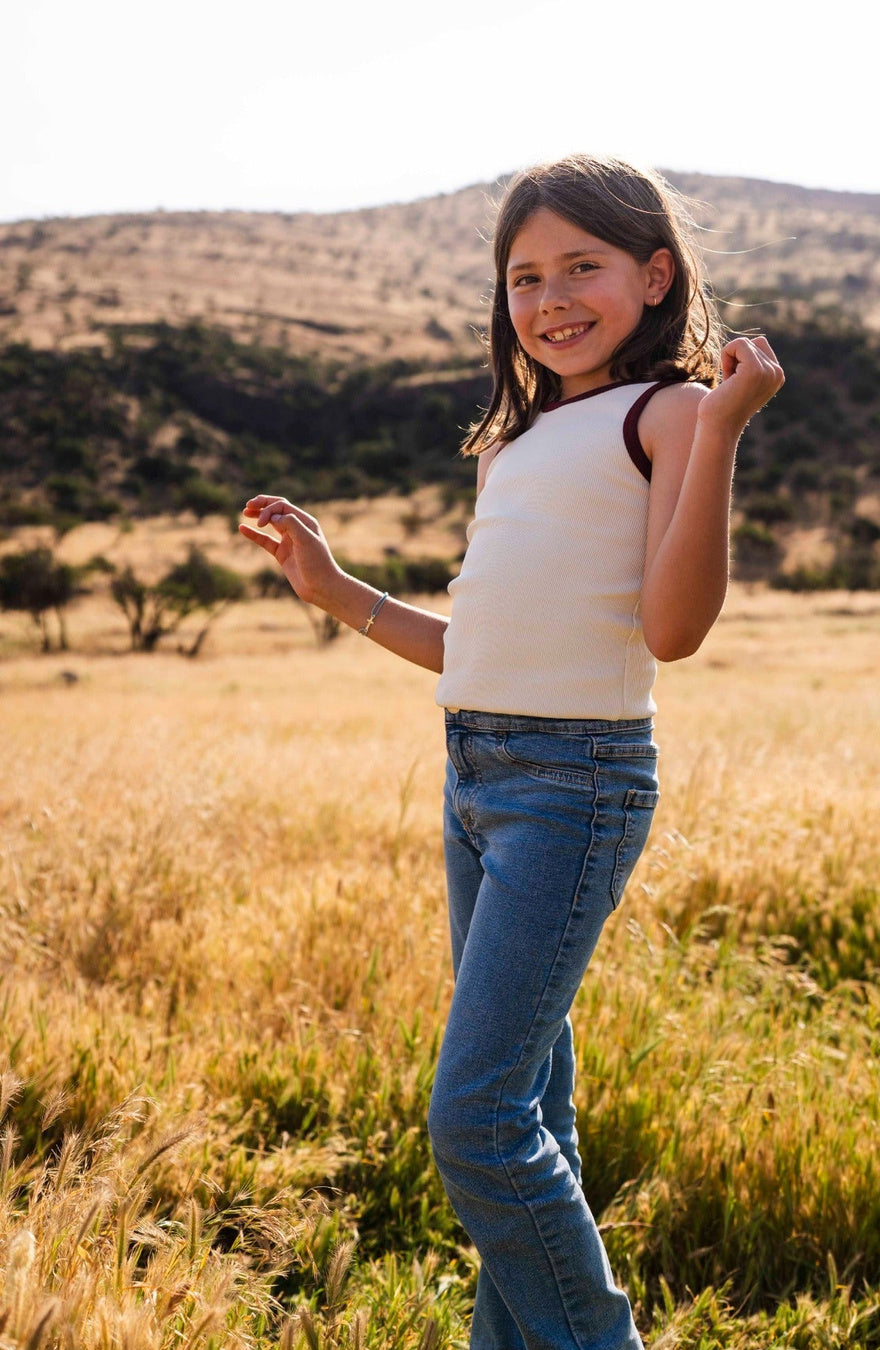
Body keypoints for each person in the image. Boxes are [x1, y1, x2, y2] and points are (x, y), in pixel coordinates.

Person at [240, 153, 784, 1350]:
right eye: (524, 276)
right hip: (476, 777)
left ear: (655, 275)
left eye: (581, 267)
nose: (550, 298)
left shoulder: (675, 412)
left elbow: (674, 630)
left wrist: (727, 433)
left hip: (575, 785)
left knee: (476, 1122)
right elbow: (486, 650)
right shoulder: (518, 439)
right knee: (531, 1110)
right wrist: (337, 590)